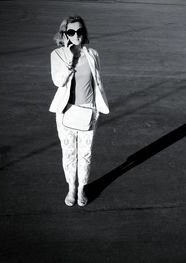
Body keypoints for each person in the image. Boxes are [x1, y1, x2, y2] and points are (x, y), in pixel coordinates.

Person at [49, 16, 109, 207]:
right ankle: (71, 189)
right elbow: (58, 82)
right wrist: (69, 59)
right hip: (66, 112)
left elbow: (97, 83)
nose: (77, 35)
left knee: (85, 154)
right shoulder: (57, 55)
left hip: (88, 110)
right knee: (69, 153)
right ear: (64, 34)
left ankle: (82, 188)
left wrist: (97, 109)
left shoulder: (93, 54)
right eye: (72, 32)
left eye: (80, 31)